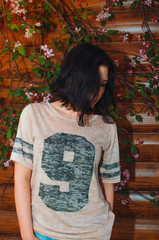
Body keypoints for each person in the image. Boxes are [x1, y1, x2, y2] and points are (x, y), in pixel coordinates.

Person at [10, 43, 121, 240]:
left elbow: (108, 182)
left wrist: (105, 226)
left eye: (103, 84)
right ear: (75, 77)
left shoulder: (106, 125)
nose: (99, 92)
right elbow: (21, 179)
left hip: (94, 233)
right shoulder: (34, 115)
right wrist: (27, 235)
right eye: (94, 83)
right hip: (45, 233)